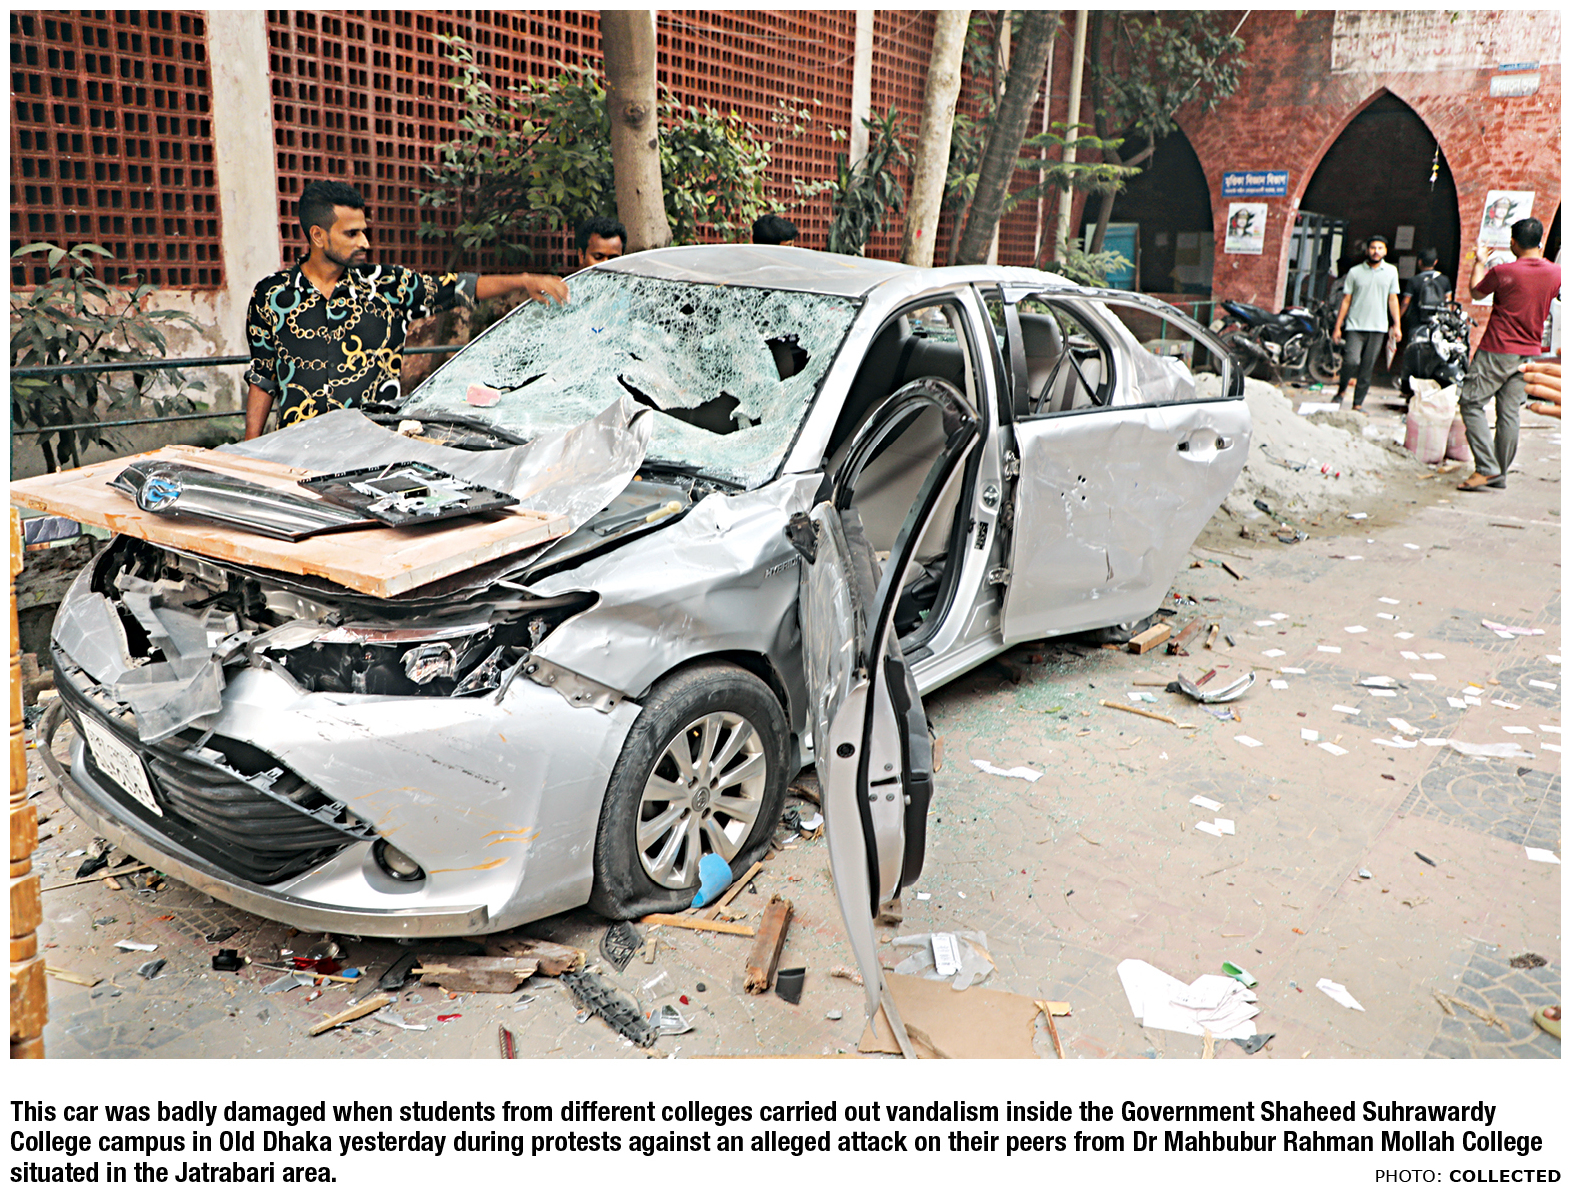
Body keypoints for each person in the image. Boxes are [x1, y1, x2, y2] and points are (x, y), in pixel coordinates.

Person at [244, 181, 568, 438]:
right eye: (352, 233)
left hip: (374, 446)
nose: (365, 242)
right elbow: (263, 378)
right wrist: (248, 448)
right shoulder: (271, 296)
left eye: (364, 231)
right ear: (318, 235)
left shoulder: (388, 286)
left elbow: (458, 287)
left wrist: (523, 281)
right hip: (295, 448)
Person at [1455, 217, 1561, 491]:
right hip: (1530, 354)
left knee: (1471, 403)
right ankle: (1499, 473)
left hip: (1497, 349)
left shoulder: (1503, 272)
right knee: (1509, 412)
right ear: (1540, 242)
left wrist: (1479, 262)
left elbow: (1476, 292)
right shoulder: (1556, 273)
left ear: (1513, 243)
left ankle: (1487, 468)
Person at [1331, 235, 1401, 411]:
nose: (1376, 251)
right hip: (1355, 326)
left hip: (1378, 328)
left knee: (1367, 367)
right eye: (1372, 248)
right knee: (1351, 361)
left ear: (1385, 251)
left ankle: (1357, 404)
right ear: (1367, 250)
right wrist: (1338, 327)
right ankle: (1341, 391)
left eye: (1380, 248)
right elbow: (1346, 300)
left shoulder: (1391, 272)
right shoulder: (1355, 272)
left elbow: (1393, 299)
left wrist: (1397, 325)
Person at [1400, 248, 1452, 321]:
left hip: (1417, 320)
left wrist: (1398, 319)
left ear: (1419, 262)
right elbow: (1448, 301)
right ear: (1435, 262)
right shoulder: (1444, 280)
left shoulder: (1414, 280)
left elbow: (1405, 302)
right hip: (1437, 320)